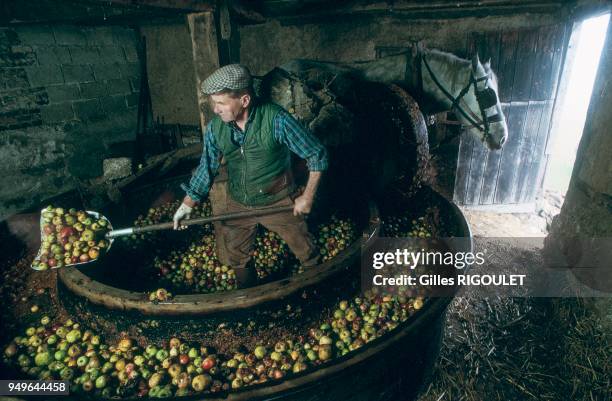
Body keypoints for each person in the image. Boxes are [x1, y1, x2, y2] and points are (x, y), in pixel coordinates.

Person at [173, 64, 328, 288]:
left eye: (221, 103)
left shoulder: (277, 120)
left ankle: (318, 287)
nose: (215, 110)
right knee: (235, 254)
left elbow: (316, 153)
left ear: (244, 100)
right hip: (238, 202)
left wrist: (308, 196)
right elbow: (206, 166)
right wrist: (187, 204)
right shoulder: (216, 128)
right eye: (212, 103)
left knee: (304, 248)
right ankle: (248, 295)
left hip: (277, 200)